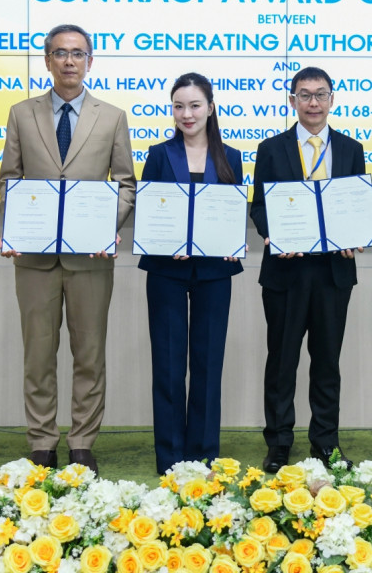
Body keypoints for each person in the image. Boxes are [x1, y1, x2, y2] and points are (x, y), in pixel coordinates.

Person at [0, 23, 136, 475]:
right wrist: (16, 227)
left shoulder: (111, 117)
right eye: (60, 53)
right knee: (38, 356)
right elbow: (9, 180)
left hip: (90, 259)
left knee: (89, 355)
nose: (69, 61)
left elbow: (126, 184)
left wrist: (106, 227)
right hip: (34, 259)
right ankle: (41, 442)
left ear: (90, 61)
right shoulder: (22, 114)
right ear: (47, 61)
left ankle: (81, 443)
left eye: (78, 53)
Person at [249, 66, 366, 471]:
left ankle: (325, 443)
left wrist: (356, 235)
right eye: (304, 95)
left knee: (327, 362)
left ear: (332, 99)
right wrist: (272, 234)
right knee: (282, 361)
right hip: (285, 272)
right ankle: (279, 442)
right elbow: (260, 206)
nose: (313, 103)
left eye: (320, 94)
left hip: (334, 272)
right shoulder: (271, 148)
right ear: (292, 100)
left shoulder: (351, 148)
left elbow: (356, 205)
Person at [137, 73, 244, 474]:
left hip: (215, 270)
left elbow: (234, 212)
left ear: (211, 108)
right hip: (166, 269)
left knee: (207, 364)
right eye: (179, 106)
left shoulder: (230, 156)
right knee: (167, 364)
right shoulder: (159, 155)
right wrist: (165, 240)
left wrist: (232, 239)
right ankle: (170, 457)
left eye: (195, 105)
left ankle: (203, 454)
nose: (187, 114)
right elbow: (148, 212)